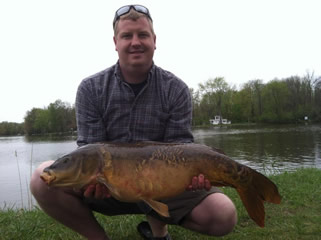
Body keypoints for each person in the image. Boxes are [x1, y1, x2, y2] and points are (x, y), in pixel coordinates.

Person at [30, 5, 237, 240]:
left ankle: (159, 233)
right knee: (40, 178)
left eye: (143, 34)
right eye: (127, 35)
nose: (135, 42)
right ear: (115, 42)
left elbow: (180, 148)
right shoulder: (91, 89)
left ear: (154, 40)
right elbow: (90, 149)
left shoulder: (176, 89)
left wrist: (193, 176)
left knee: (224, 215)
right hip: (107, 187)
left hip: (164, 186)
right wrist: (95, 180)